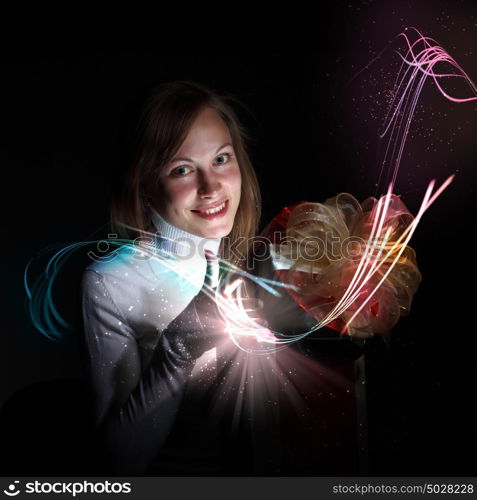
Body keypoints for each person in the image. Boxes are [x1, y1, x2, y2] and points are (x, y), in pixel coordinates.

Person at [79, 80, 263, 476]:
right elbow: (117, 462)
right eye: (182, 169)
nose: (211, 187)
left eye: (221, 159)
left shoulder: (256, 258)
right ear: (145, 187)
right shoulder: (111, 282)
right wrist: (176, 352)